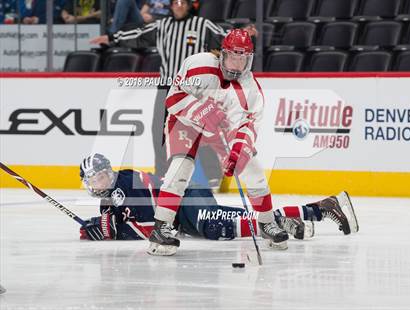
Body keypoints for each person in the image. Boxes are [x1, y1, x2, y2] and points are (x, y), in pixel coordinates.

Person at [146, 28, 360, 256]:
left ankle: (267, 223)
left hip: (222, 126)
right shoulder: (198, 64)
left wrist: (238, 151)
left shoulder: (251, 90)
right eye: (232, 57)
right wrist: (201, 110)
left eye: (243, 58)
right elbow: (173, 99)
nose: (237, 64)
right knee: (181, 169)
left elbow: (247, 126)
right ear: (222, 53)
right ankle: (161, 228)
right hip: (185, 122)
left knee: (251, 167)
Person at [90, 0, 256, 181]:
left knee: (204, 127)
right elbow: (138, 35)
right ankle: (163, 173)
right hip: (167, 86)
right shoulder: (162, 25)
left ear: (190, 5)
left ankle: (212, 174)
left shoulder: (201, 25)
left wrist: (243, 35)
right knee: (160, 131)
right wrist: (112, 38)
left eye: (182, 2)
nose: (178, 6)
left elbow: (225, 38)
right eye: (175, 2)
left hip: (196, 86)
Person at [78, 154, 359, 249]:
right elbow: (123, 220)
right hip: (182, 216)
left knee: (214, 225)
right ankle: (306, 213)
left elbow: (149, 227)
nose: (100, 182)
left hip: (187, 199)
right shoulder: (109, 201)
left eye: (103, 176)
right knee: (228, 221)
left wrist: (109, 229)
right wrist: (99, 224)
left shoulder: (124, 183)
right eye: (95, 180)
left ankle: (317, 210)